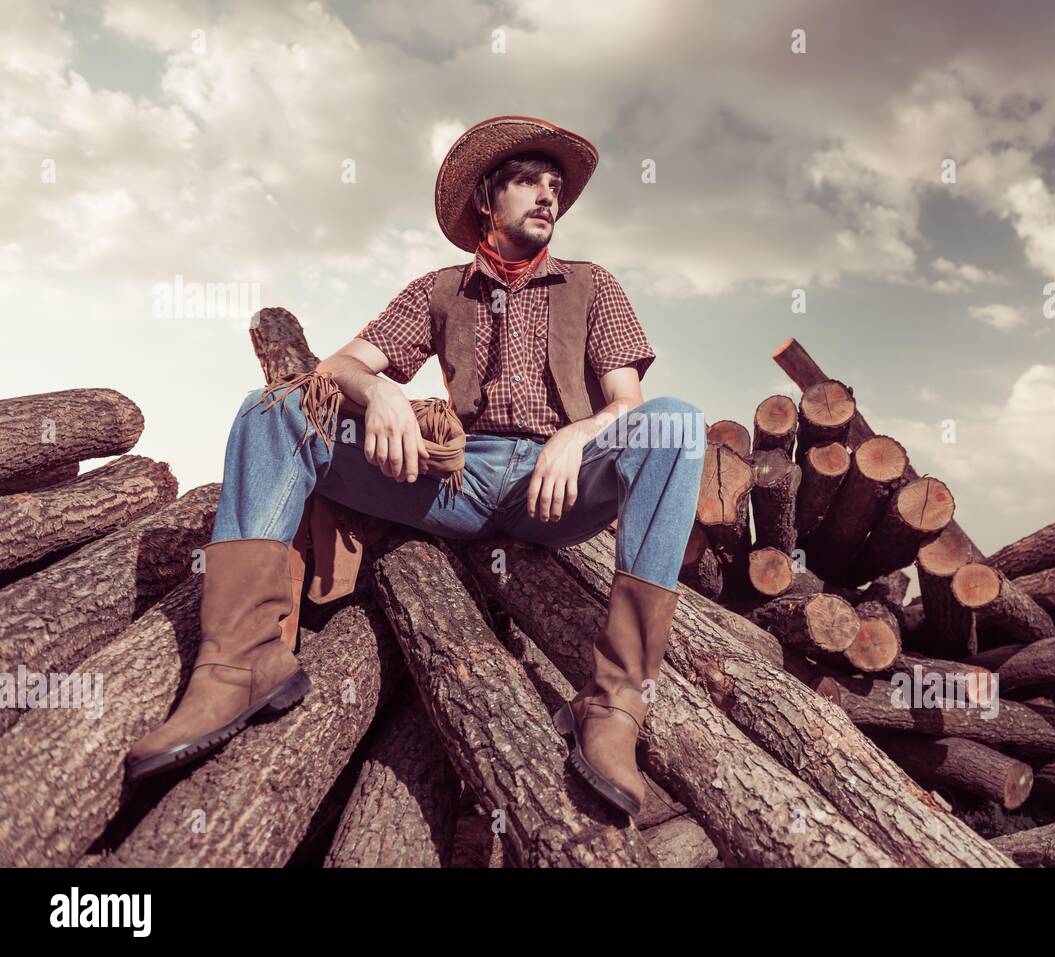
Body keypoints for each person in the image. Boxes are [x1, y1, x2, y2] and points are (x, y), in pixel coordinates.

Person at [125, 115, 707, 818]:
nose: (549, 196)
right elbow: (339, 364)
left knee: (677, 422)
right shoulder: (439, 290)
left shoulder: (592, 284)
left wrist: (576, 435)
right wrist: (380, 393)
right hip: (455, 478)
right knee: (270, 406)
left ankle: (614, 706)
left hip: (559, 490)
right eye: (529, 182)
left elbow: (629, 405)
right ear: (487, 201)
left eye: (556, 185)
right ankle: (240, 660)